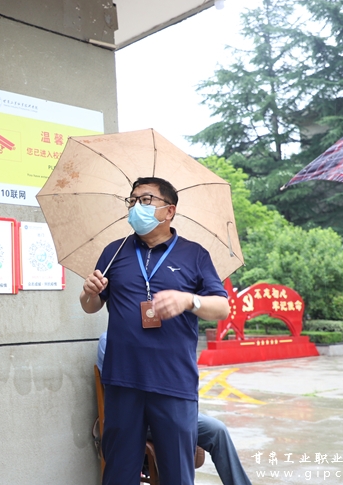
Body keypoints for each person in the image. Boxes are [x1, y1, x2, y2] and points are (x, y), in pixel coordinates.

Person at [80, 176, 230, 485]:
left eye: (146, 200)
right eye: (132, 200)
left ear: (169, 210)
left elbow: (222, 308)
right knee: (118, 472)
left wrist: (189, 300)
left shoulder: (195, 254)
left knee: (177, 473)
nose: (137, 206)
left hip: (173, 381)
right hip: (123, 380)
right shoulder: (114, 251)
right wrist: (88, 293)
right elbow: (91, 306)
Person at [97, 332, 252, 485]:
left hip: (172, 407)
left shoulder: (162, 334)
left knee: (218, 430)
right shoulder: (110, 340)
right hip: (137, 414)